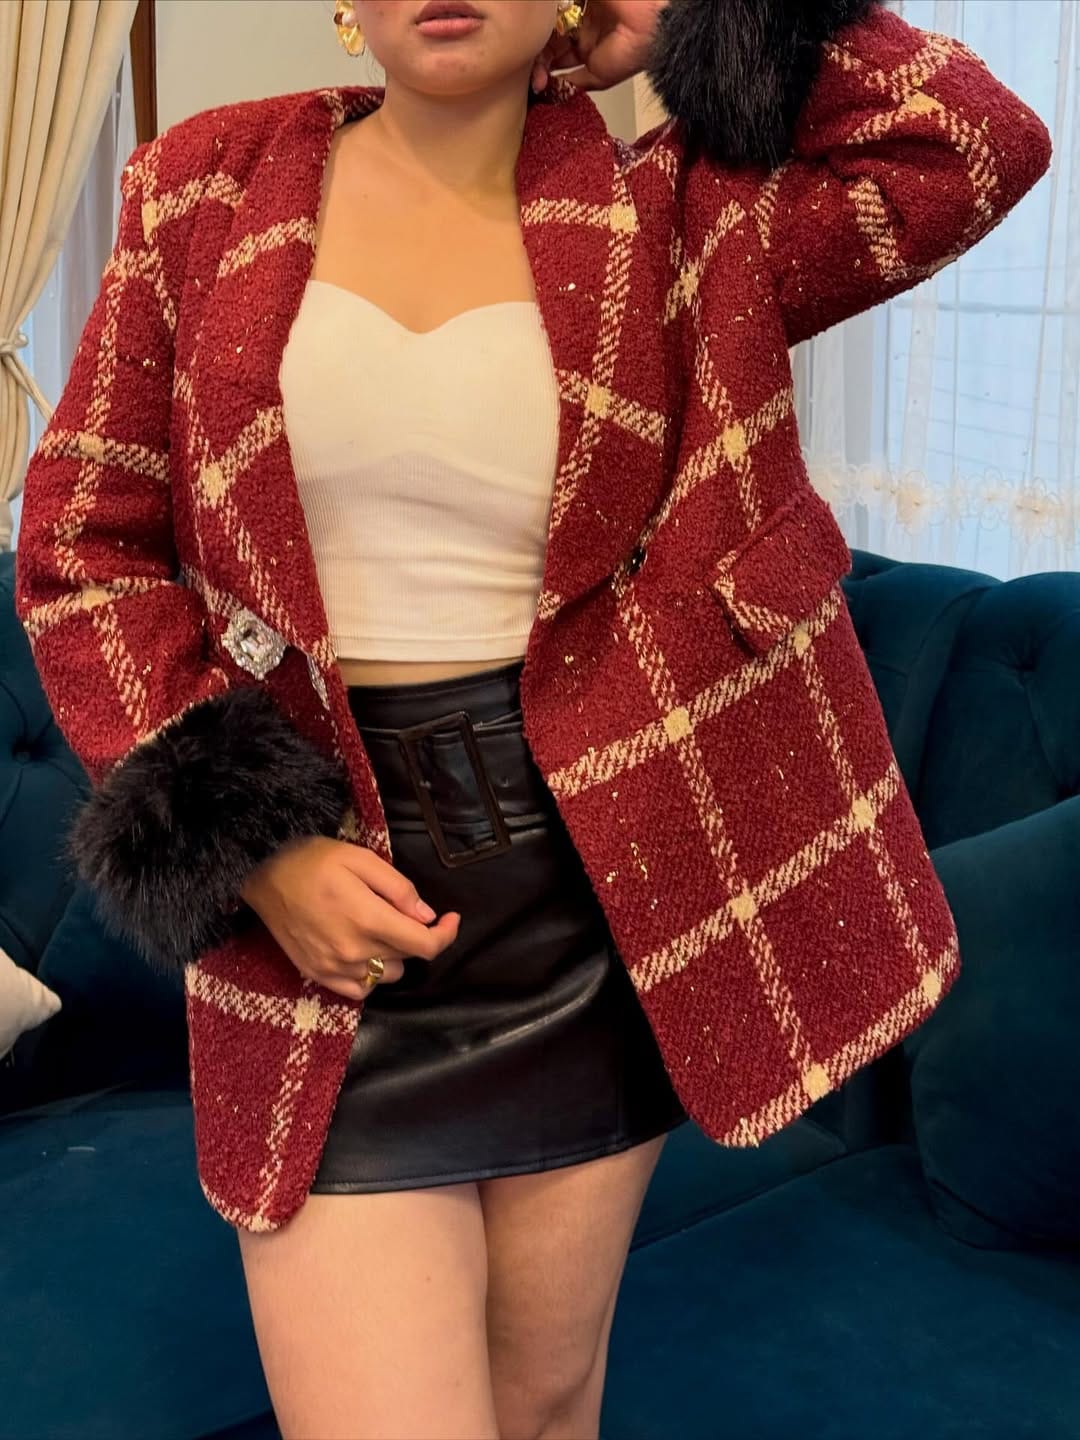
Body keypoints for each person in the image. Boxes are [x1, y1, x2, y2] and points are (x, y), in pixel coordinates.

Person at [14, 1, 1051, 1436]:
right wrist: (251, 848)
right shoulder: (200, 187)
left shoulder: (678, 213)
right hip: (326, 887)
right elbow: (84, 545)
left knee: (547, 1401)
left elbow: (973, 144)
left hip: (608, 895)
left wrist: (689, 12)